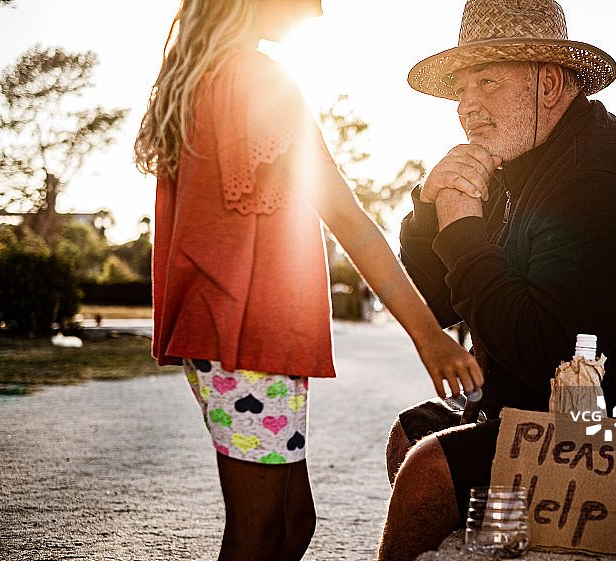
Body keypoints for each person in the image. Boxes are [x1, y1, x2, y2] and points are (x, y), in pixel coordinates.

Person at [378, 0, 616, 559]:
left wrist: (463, 230)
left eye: (487, 82)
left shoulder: (606, 178)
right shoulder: (514, 161)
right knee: (413, 433)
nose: (467, 107)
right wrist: (429, 211)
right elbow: (441, 305)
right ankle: (499, 544)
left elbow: (547, 353)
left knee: (428, 469)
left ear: (551, 83)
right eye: (461, 90)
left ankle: (501, 534)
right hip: (565, 403)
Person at [133, 2, 483, 560]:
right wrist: (429, 336)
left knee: (294, 522)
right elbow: (347, 218)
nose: (318, 12)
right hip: (247, 337)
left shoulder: (196, 78)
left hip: (225, 337)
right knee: (260, 535)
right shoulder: (257, 78)